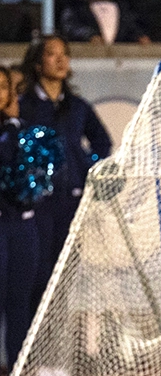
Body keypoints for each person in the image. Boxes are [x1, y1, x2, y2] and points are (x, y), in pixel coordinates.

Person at [18, 35, 113, 318]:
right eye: (51, 54)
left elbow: (102, 144)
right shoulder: (24, 106)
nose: (60, 60)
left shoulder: (78, 106)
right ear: (37, 63)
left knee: (64, 280)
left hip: (71, 204)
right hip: (37, 206)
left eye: (65, 54)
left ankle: (57, 354)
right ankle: (29, 353)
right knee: (37, 277)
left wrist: (86, 170)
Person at [0, 66, 40, 376]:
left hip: (22, 226)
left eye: (3, 87)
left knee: (20, 300)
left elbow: (33, 171)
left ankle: (17, 374)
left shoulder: (21, 129)